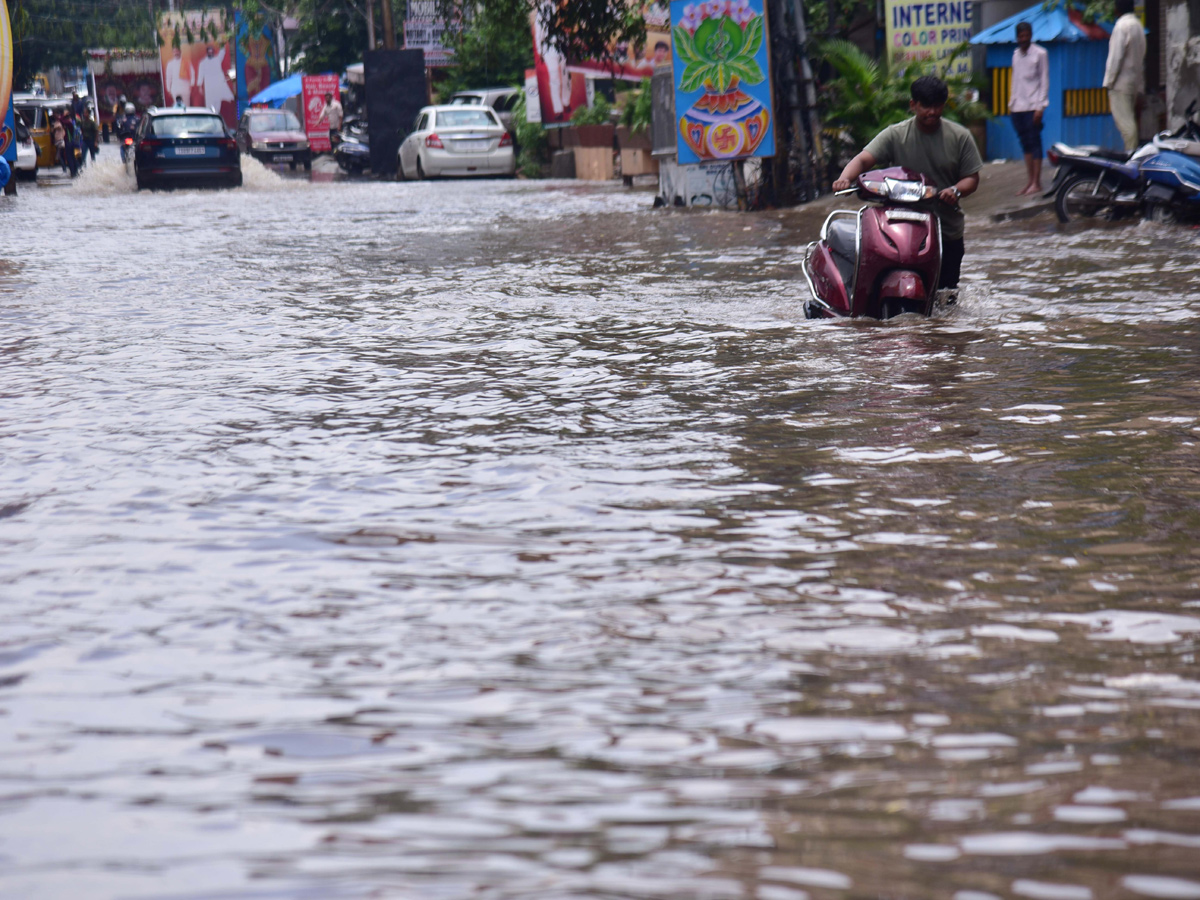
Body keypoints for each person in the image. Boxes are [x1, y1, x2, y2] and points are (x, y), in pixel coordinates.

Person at [832, 75, 983, 294]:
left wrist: (955, 190)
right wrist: (845, 178)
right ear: (913, 105)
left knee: (946, 295)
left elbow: (972, 178)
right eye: (926, 106)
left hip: (945, 228)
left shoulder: (960, 136)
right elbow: (864, 159)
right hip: (899, 227)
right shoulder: (896, 134)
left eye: (937, 106)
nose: (932, 112)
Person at [1009, 22, 1049, 195]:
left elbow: (1044, 81)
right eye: (1021, 36)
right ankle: (1029, 181)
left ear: (1031, 35)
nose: (1024, 39)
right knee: (1024, 144)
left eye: (1026, 36)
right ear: (1017, 37)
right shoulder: (1016, 54)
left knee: (1035, 143)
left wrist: (1041, 107)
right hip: (1017, 107)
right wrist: (1011, 104)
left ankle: (1036, 182)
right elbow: (1015, 81)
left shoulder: (1041, 53)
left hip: (1033, 106)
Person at [1104, 0, 1146, 152]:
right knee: (1130, 122)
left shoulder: (1121, 26)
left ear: (1117, 9)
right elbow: (1141, 60)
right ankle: (1132, 151)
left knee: (1126, 125)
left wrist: (1109, 82)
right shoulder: (1138, 26)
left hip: (1120, 83)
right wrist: (1140, 87)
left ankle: (1131, 155)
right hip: (1133, 82)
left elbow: (1116, 57)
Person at [195, 44, 235, 117]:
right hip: (209, 87)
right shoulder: (203, 63)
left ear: (213, 52)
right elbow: (200, 75)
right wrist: (199, 86)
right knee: (210, 104)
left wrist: (222, 42)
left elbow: (222, 52)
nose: (210, 53)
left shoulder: (217, 59)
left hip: (218, 85)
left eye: (211, 52)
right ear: (207, 53)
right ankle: (211, 117)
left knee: (217, 102)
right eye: (209, 52)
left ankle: (216, 116)